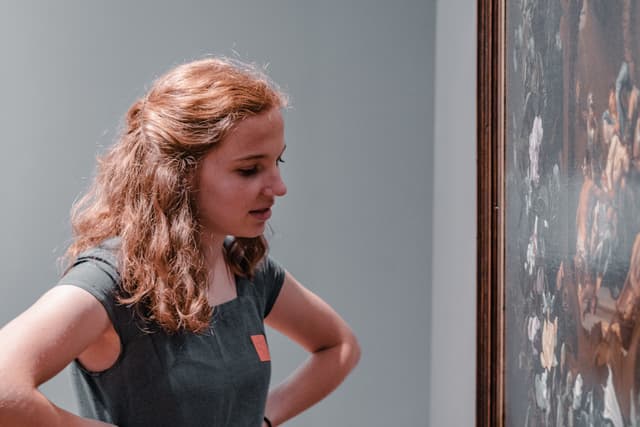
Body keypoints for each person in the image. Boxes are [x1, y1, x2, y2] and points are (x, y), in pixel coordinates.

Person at [0, 57, 361, 427]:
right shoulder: (113, 281)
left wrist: (263, 419)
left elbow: (340, 346)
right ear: (179, 175)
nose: (279, 187)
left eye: (277, 162)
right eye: (249, 169)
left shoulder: (247, 272)